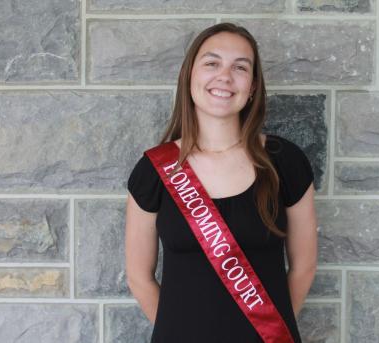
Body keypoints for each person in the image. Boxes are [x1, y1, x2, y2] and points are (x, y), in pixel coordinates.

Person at [124, 22, 318, 343]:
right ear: (190, 76)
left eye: (240, 67)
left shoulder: (285, 162)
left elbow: (304, 268)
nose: (224, 76)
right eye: (212, 63)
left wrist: (267, 331)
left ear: (253, 86)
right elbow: (139, 278)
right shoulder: (154, 171)